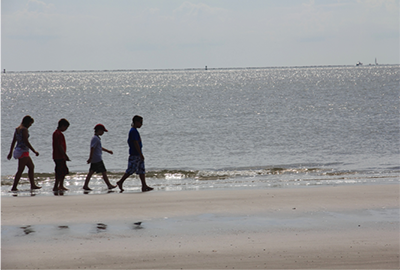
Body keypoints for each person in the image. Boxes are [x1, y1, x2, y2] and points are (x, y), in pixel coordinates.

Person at [116, 115, 153, 192]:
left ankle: (144, 185)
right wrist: (140, 154)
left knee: (141, 170)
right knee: (131, 170)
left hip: (138, 153)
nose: (141, 124)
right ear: (136, 122)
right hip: (135, 154)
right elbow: (135, 142)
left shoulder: (134, 131)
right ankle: (120, 182)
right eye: (140, 122)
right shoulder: (133, 131)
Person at [7, 115, 41, 191]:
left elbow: (13, 141)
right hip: (23, 151)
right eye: (30, 123)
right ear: (27, 122)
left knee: (31, 166)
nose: (30, 125)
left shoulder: (17, 129)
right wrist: (34, 151)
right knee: (20, 170)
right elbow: (26, 141)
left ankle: (32, 185)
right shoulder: (24, 129)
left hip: (18, 150)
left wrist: (10, 152)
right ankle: (14, 187)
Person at [83, 124, 116, 191]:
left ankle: (85, 185)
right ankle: (109, 185)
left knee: (91, 172)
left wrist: (108, 151)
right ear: (99, 130)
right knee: (103, 172)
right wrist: (90, 158)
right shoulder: (95, 138)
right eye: (103, 131)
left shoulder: (96, 138)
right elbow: (92, 148)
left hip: (95, 158)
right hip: (97, 159)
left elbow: (99, 147)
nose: (103, 133)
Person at [53, 118, 70, 191]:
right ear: (62, 126)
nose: (66, 129)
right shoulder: (59, 134)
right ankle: (58, 186)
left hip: (56, 155)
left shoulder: (55, 133)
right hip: (60, 156)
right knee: (61, 172)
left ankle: (59, 185)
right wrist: (65, 155)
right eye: (65, 127)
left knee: (61, 171)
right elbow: (60, 145)